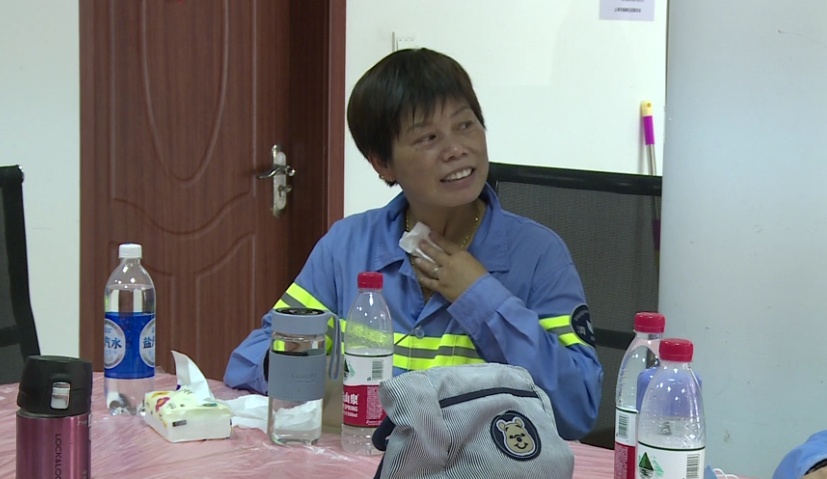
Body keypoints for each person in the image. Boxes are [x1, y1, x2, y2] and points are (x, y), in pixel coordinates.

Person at [224, 48, 602, 440]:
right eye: (428, 138)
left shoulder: (539, 254)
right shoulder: (348, 246)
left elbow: (576, 408)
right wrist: (302, 369)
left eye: (466, 125)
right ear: (382, 163)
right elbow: (249, 360)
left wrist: (480, 296)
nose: (456, 149)